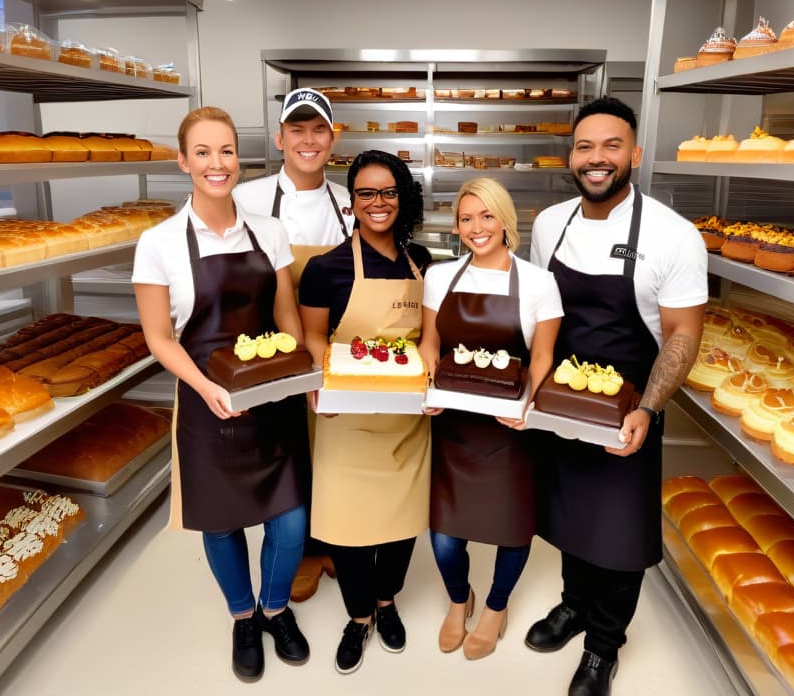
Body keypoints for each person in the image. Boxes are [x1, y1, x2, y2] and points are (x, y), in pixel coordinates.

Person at [525, 96, 707, 696]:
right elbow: (543, 316)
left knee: (621, 535)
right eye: (584, 146)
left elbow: (682, 335)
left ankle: (604, 647)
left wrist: (647, 410)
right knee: (568, 512)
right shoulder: (551, 224)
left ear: (634, 153)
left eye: (610, 146)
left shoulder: (672, 236)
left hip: (630, 407)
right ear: (570, 156)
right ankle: (574, 605)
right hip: (561, 404)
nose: (596, 159)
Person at [132, 106, 311, 683]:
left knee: (289, 521)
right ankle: (242, 616)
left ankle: (276, 608)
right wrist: (207, 386)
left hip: (272, 392)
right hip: (206, 398)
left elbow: (284, 310)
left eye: (227, 151)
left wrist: (299, 370)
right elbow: (160, 338)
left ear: (240, 158)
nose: (218, 164)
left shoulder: (270, 231)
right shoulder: (157, 243)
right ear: (183, 161)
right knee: (221, 522)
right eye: (203, 152)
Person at [298, 149, 432, 675]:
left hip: (407, 419)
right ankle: (358, 617)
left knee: (401, 524)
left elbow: (433, 338)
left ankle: (386, 601)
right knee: (347, 528)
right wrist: (321, 385)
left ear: (402, 197)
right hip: (344, 419)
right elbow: (312, 337)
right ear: (351, 201)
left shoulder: (424, 262)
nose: (378, 203)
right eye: (366, 193)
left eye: (389, 192)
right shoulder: (325, 268)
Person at [419, 177, 563, 660]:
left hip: (510, 429)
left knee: (510, 527)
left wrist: (529, 405)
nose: (476, 228)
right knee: (443, 537)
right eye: (465, 219)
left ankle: (497, 606)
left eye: (486, 216)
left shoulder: (539, 283)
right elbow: (430, 345)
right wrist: (426, 386)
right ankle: (460, 600)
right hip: (454, 425)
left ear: (505, 220)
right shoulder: (441, 277)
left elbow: (542, 357)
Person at [235, 86, 354, 602]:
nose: (309, 140)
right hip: (273, 349)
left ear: (334, 138)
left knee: (332, 447)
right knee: (285, 452)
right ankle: (299, 550)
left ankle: (333, 542)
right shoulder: (247, 198)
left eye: (319, 129)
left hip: (336, 344)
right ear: (280, 138)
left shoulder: (350, 201)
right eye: (297, 129)